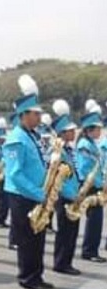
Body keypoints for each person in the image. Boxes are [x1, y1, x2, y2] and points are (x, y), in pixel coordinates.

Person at [3, 75, 50, 289]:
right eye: (35, 114)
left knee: (38, 237)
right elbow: (15, 175)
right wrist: (38, 193)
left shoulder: (33, 134)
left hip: (36, 194)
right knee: (27, 239)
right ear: (24, 115)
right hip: (23, 196)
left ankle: (37, 275)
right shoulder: (16, 138)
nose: (39, 117)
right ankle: (27, 277)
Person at [51, 99, 81, 275]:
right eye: (71, 131)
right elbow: (58, 179)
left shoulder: (69, 149)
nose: (74, 133)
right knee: (65, 232)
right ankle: (61, 263)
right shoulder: (58, 152)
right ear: (63, 132)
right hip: (64, 196)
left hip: (73, 195)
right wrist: (72, 194)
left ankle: (66, 262)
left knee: (72, 232)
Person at [77, 101, 106, 263]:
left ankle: (92, 250)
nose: (100, 131)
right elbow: (85, 169)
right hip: (90, 186)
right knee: (94, 220)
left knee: (97, 220)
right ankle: (89, 251)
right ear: (89, 130)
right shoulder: (84, 145)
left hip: (96, 185)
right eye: (97, 129)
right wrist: (99, 183)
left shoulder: (91, 144)